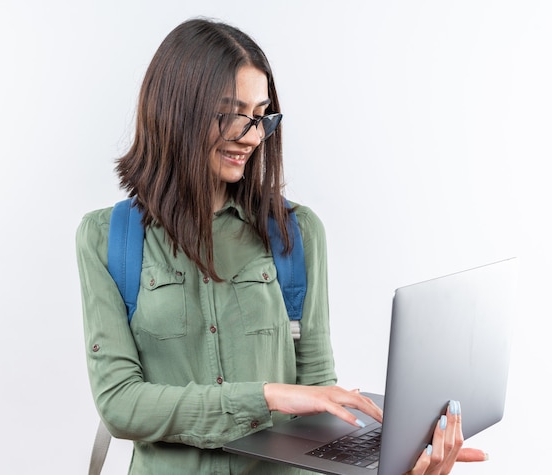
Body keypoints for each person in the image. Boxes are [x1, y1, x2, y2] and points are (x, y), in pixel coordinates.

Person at [76, 17, 488, 474]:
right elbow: (120, 403)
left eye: (260, 116)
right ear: (177, 111)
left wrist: (397, 465)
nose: (252, 136)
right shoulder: (108, 239)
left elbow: (319, 409)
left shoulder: (297, 234)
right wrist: (268, 395)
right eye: (232, 114)